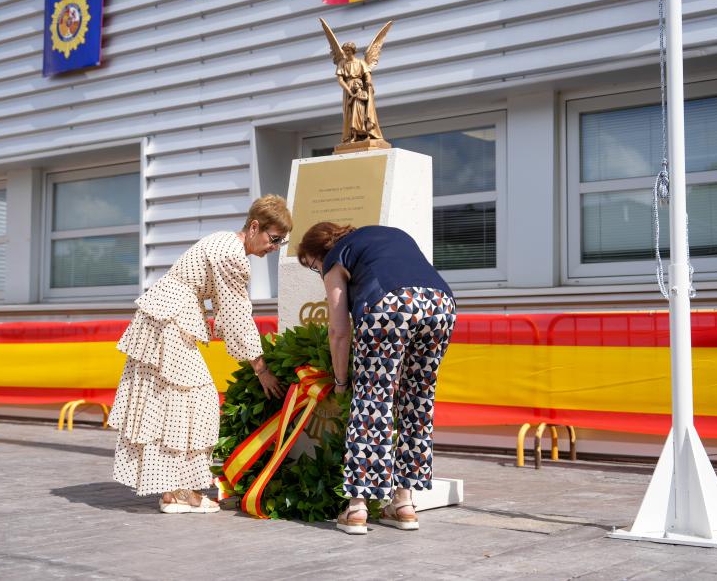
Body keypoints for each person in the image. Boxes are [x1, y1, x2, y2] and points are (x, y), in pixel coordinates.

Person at [108, 195, 291, 513]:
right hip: (169, 318)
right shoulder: (232, 254)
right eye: (273, 239)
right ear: (254, 226)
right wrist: (261, 368)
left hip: (167, 314)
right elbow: (235, 315)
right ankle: (176, 492)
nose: (274, 247)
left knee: (174, 402)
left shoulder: (225, 242)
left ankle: (178, 490)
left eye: (281, 242)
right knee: (195, 400)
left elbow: (228, 311)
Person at [297, 223, 456, 534]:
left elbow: (339, 332)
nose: (317, 272)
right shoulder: (391, 235)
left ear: (320, 255)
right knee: (417, 403)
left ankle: (356, 508)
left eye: (312, 266)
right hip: (441, 305)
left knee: (372, 402)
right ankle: (404, 504)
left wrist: (342, 381)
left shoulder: (335, 258)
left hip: (389, 304)